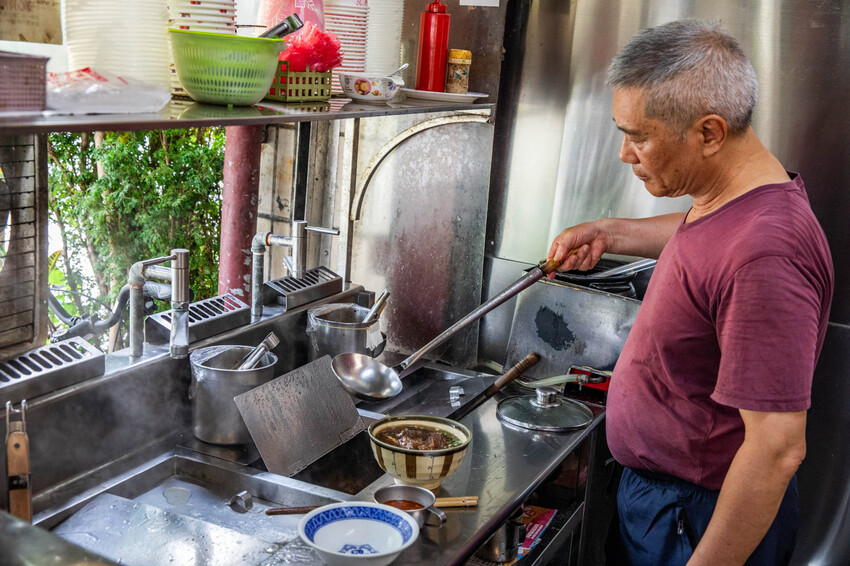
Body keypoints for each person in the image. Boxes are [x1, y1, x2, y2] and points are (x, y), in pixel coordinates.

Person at [547, 20, 833, 566]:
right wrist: (612, 233)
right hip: (666, 502)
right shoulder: (734, 200)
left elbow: (776, 449)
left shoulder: (766, 256)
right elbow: (710, 241)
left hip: (697, 516)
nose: (626, 154)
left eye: (640, 136)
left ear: (709, 133)